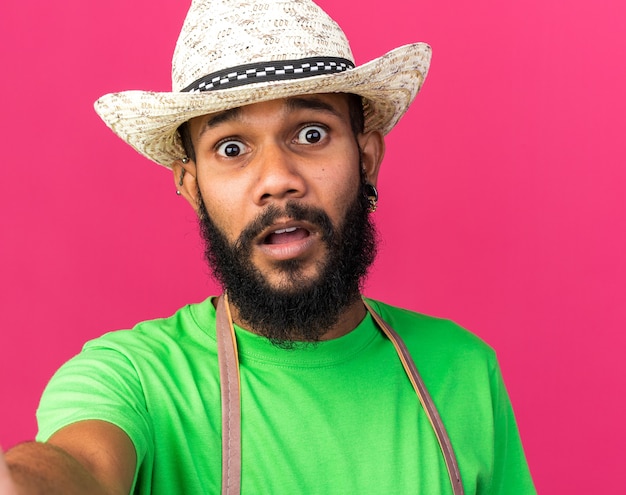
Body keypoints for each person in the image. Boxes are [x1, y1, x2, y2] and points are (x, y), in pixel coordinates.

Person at [2, 0, 536, 493]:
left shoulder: (463, 370)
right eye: (231, 147)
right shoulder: (133, 377)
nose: (277, 179)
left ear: (366, 157)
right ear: (191, 186)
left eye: (311, 134)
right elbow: (77, 470)